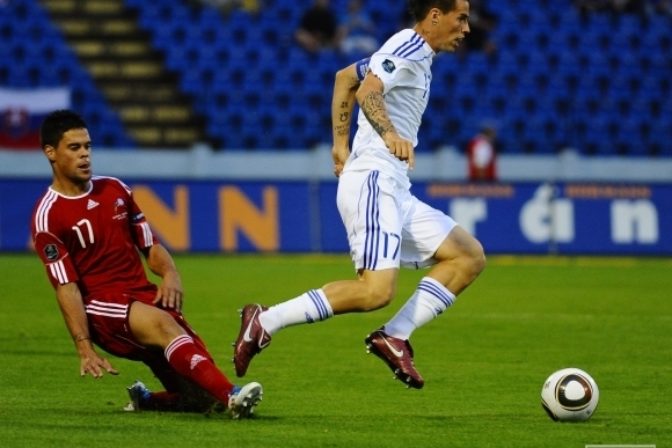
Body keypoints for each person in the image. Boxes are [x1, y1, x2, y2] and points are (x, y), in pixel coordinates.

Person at [234, 0, 485, 389]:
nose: (467, 28)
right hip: (374, 180)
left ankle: (394, 336)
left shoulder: (414, 54)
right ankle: (265, 320)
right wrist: (389, 134)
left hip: (393, 186)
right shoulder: (408, 45)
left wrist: (339, 144)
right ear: (436, 15)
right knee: (374, 292)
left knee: (467, 256)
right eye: (461, 18)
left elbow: (344, 78)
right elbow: (368, 90)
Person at [31, 110, 263, 417]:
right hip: (101, 305)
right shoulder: (48, 216)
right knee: (165, 327)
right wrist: (84, 345)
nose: (85, 154)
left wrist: (170, 274)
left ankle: (147, 399)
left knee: (202, 397)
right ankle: (233, 396)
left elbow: (149, 245)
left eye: (87, 146)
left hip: (142, 295)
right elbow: (66, 287)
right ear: (51, 152)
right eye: (74, 147)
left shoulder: (115, 189)